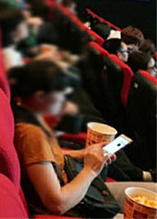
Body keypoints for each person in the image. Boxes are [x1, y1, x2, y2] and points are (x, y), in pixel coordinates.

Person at [11, 60, 157, 215]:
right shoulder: (32, 133)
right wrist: (91, 169)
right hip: (78, 203)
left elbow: (44, 157)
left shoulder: (31, 117)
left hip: (77, 187)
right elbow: (58, 204)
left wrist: (81, 153)